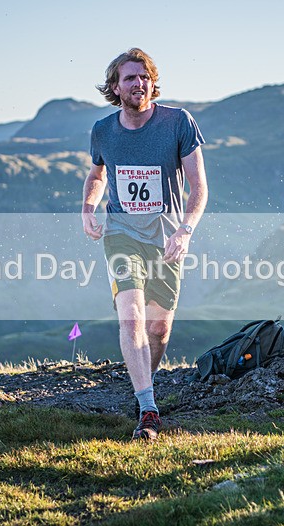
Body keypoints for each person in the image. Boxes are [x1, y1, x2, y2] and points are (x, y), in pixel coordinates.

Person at [82, 48, 209, 441]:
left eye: (144, 77)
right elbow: (97, 174)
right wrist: (88, 207)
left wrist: (184, 231)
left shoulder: (178, 122)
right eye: (129, 78)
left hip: (167, 237)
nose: (138, 84)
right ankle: (149, 409)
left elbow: (199, 186)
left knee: (158, 329)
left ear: (152, 82)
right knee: (132, 316)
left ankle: (143, 386)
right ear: (115, 88)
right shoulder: (103, 130)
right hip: (122, 233)